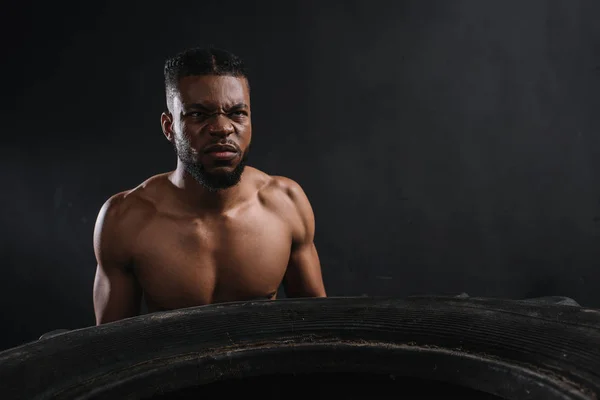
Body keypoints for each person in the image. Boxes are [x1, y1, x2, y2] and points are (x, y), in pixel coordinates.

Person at [92, 47, 326, 325]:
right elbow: (109, 349)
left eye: (237, 112)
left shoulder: (286, 203)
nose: (222, 128)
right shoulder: (125, 218)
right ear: (169, 127)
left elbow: (318, 327)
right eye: (199, 115)